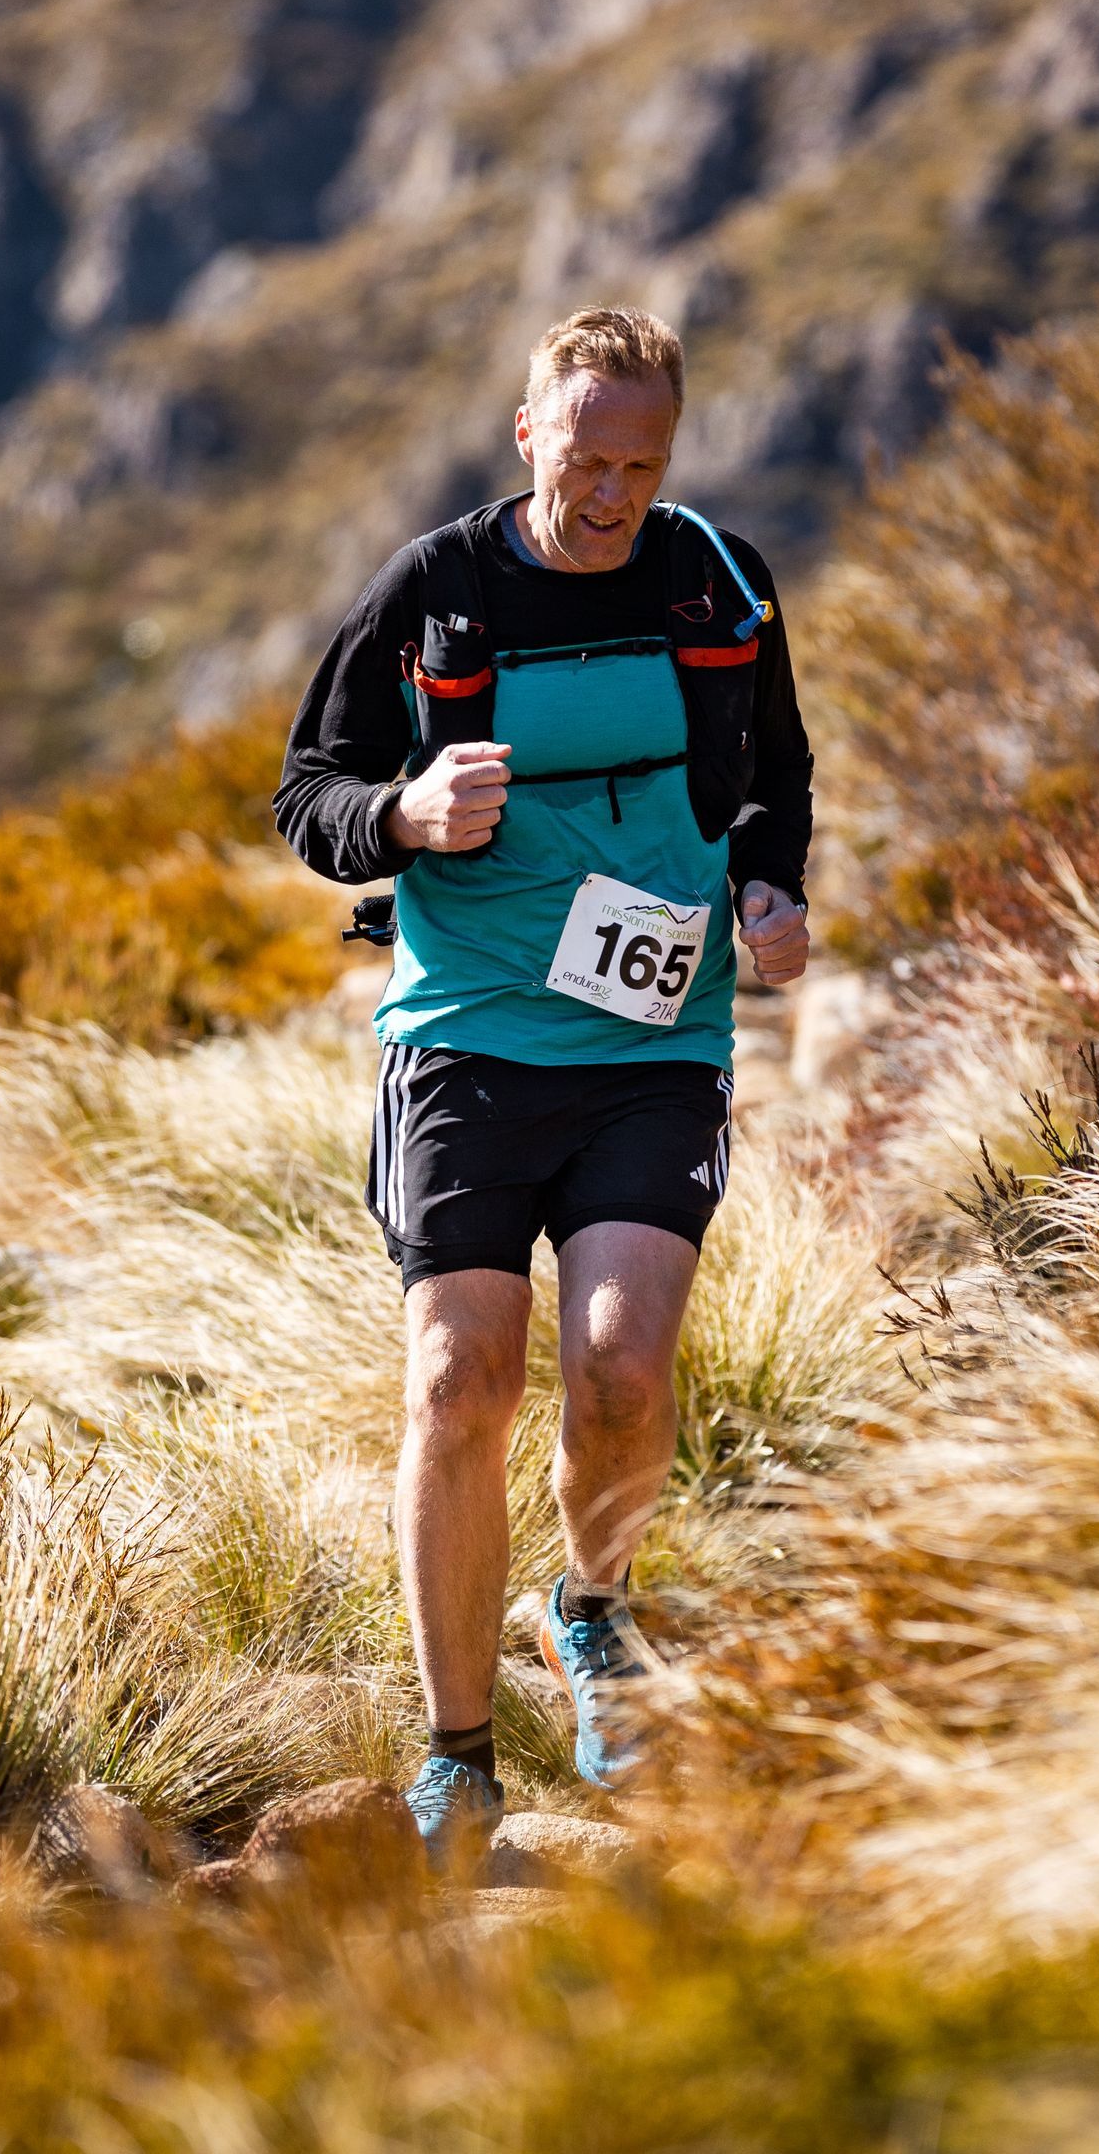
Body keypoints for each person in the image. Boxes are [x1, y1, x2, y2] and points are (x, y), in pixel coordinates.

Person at [274, 305, 812, 1861]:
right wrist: (407, 813)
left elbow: (779, 773)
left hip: (657, 1041)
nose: (612, 496)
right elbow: (307, 798)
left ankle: (591, 1613)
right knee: (461, 1386)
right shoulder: (436, 593)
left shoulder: (716, 574)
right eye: (586, 461)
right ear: (528, 437)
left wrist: (770, 895)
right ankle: (457, 1754)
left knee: (624, 1371)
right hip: (466, 1040)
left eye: (643, 465)